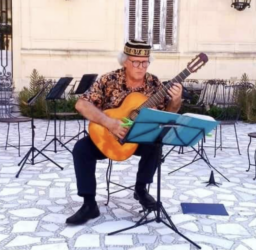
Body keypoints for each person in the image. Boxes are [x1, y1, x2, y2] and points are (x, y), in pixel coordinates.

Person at [66, 39, 183, 225]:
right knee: (81, 149)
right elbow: (81, 104)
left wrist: (175, 102)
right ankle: (89, 204)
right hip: (109, 138)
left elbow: (165, 117)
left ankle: (141, 189)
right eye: (136, 62)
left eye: (145, 62)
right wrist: (109, 122)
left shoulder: (154, 84)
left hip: (137, 140)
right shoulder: (108, 79)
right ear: (125, 62)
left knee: (155, 144)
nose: (141, 66)